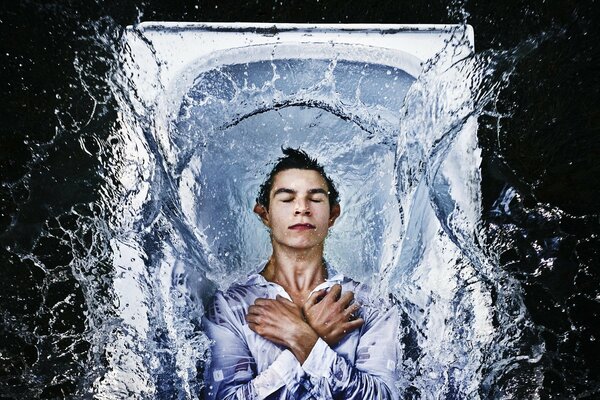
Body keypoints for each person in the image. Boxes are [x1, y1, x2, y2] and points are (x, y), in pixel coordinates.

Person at [202, 148, 399, 399]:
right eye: (287, 198)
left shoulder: (371, 304)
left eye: (315, 199)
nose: (302, 208)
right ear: (265, 214)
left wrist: (303, 338)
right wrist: (311, 335)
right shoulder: (228, 307)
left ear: (333, 215)